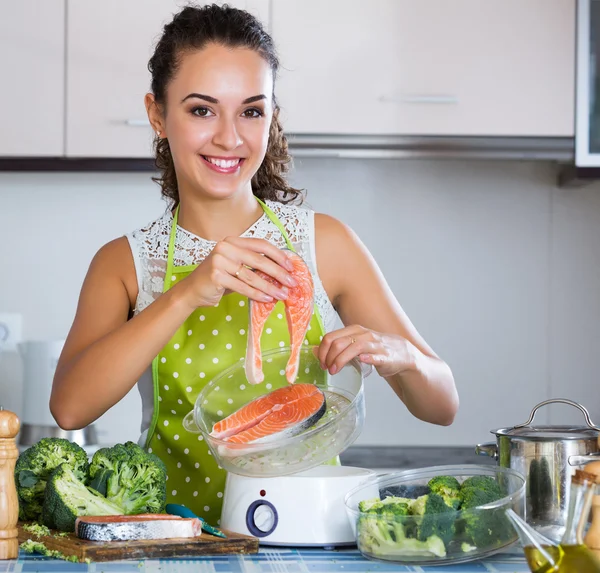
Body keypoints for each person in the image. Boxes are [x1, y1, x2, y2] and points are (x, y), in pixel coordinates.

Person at [50, 4, 459, 524]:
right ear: (158, 114)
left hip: (309, 540)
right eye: (202, 110)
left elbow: (442, 406)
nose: (230, 137)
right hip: (174, 541)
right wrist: (187, 291)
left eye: (251, 110)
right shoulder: (125, 263)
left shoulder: (323, 242)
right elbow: (69, 407)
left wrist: (402, 355)